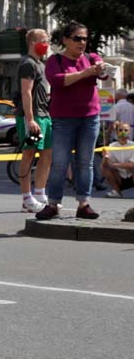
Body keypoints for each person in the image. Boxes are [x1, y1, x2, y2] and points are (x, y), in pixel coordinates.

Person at [37, 21, 105, 221]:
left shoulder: (91, 57)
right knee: (59, 163)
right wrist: (84, 73)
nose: (82, 42)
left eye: (85, 38)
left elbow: (102, 70)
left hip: (90, 118)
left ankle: (84, 204)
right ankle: (53, 204)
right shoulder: (54, 60)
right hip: (63, 119)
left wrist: (99, 69)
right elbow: (58, 81)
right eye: (77, 38)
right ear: (66, 40)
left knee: (86, 162)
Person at [16, 29, 53, 212]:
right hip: (34, 117)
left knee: (47, 153)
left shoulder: (41, 64)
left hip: (44, 116)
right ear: (32, 43)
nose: (46, 44)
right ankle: (26, 199)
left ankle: (39, 194)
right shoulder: (28, 64)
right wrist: (30, 119)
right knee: (29, 153)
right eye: (44, 41)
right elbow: (26, 92)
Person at [101, 123, 134, 198]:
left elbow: (132, 164)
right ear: (117, 132)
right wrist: (105, 158)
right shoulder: (112, 146)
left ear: (129, 132)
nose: (123, 132)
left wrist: (114, 164)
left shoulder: (133, 145)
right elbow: (105, 165)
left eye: (126, 130)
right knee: (104, 168)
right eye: (120, 130)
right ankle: (117, 191)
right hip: (119, 177)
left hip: (131, 175)